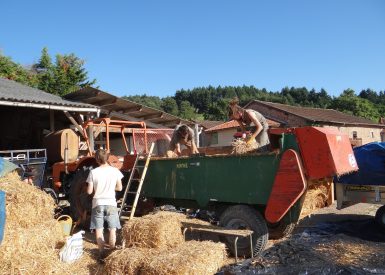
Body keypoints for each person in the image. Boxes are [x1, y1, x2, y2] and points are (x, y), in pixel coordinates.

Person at [86, 149, 123, 261]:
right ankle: (111, 252)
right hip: (111, 203)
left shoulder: (93, 172)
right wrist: (111, 188)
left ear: (97, 159)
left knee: (99, 229)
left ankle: (101, 253)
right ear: (107, 158)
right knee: (112, 229)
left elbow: (89, 191)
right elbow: (120, 188)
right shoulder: (115, 171)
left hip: (97, 203)